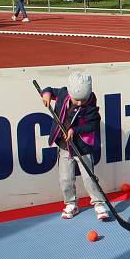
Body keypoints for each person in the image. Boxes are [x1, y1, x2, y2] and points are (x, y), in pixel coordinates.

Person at [41, 73, 109, 221]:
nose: (79, 103)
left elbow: (93, 125)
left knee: (89, 178)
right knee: (65, 179)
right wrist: (46, 95)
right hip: (64, 146)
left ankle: (98, 203)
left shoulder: (90, 105)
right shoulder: (64, 93)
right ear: (70, 93)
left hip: (82, 147)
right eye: (76, 100)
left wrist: (74, 130)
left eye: (82, 100)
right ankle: (71, 203)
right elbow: (48, 90)